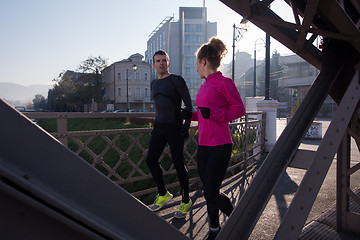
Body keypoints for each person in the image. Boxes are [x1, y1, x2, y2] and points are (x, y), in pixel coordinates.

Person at [189, 37, 246, 239]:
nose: (196, 68)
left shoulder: (225, 83)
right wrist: (190, 115)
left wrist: (214, 114)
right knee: (208, 191)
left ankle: (240, 219)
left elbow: (240, 109)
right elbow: (205, 114)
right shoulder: (204, 86)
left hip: (220, 145)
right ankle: (214, 229)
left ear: (204, 61)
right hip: (203, 145)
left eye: (197, 64)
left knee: (212, 193)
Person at [146, 50, 193, 218]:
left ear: (168, 63)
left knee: (179, 164)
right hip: (159, 127)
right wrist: (156, 126)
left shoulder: (176, 80)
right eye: (158, 61)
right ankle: (163, 193)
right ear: (154, 64)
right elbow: (159, 107)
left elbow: (189, 105)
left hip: (175, 128)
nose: (161, 63)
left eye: (164, 60)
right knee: (150, 160)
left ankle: (186, 200)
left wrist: (186, 126)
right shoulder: (153, 84)